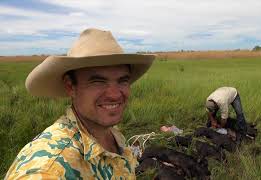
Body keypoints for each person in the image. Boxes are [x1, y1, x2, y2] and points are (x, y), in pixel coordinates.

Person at [5, 28, 155, 179]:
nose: (115, 94)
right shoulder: (50, 168)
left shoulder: (109, 132)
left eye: (123, 80)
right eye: (98, 81)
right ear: (70, 86)